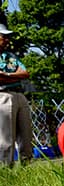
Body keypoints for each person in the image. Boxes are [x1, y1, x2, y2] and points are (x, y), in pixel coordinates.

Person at [0, 24, 32, 165]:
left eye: (8, 37)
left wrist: (6, 74)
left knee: (26, 135)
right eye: (3, 36)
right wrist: (14, 76)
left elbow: (25, 73)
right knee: (6, 137)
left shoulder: (10, 56)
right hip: (3, 95)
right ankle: (6, 169)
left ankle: (27, 166)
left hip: (20, 95)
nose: (7, 39)